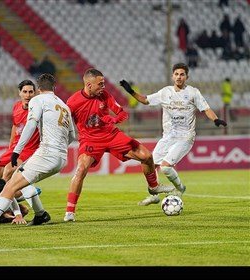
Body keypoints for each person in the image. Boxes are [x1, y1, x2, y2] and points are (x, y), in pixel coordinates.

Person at [0, 73, 77, 230]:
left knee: (10, 185)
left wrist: (16, 151)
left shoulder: (37, 100)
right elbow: (72, 135)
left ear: (38, 89)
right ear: (54, 88)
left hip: (46, 154)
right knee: (24, 183)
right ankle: (41, 215)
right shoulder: (63, 106)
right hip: (61, 158)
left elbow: (30, 125)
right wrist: (58, 147)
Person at [64, 68, 175, 222]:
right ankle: (70, 212)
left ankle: (153, 187)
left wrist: (114, 120)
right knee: (81, 169)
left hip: (112, 136)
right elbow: (63, 122)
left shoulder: (105, 95)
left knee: (147, 156)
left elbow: (123, 113)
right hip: (90, 140)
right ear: (88, 84)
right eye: (100, 84)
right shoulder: (73, 102)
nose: (103, 86)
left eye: (103, 83)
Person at [119, 62, 227, 206]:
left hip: (185, 137)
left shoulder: (193, 92)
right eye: (176, 74)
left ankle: (180, 188)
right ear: (172, 76)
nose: (179, 77)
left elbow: (206, 108)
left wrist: (216, 119)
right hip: (168, 137)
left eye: (182, 74)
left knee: (166, 167)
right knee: (149, 164)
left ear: (187, 77)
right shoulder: (165, 92)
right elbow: (145, 100)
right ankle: (154, 194)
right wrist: (131, 91)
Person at [0, 80, 41, 205]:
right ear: (19, 93)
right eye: (25, 92)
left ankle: (0, 204)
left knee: (8, 171)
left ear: (35, 93)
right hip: (15, 148)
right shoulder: (16, 107)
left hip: (29, 149)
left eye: (31, 92)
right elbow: (15, 126)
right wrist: (10, 147)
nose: (28, 95)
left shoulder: (38, 110)